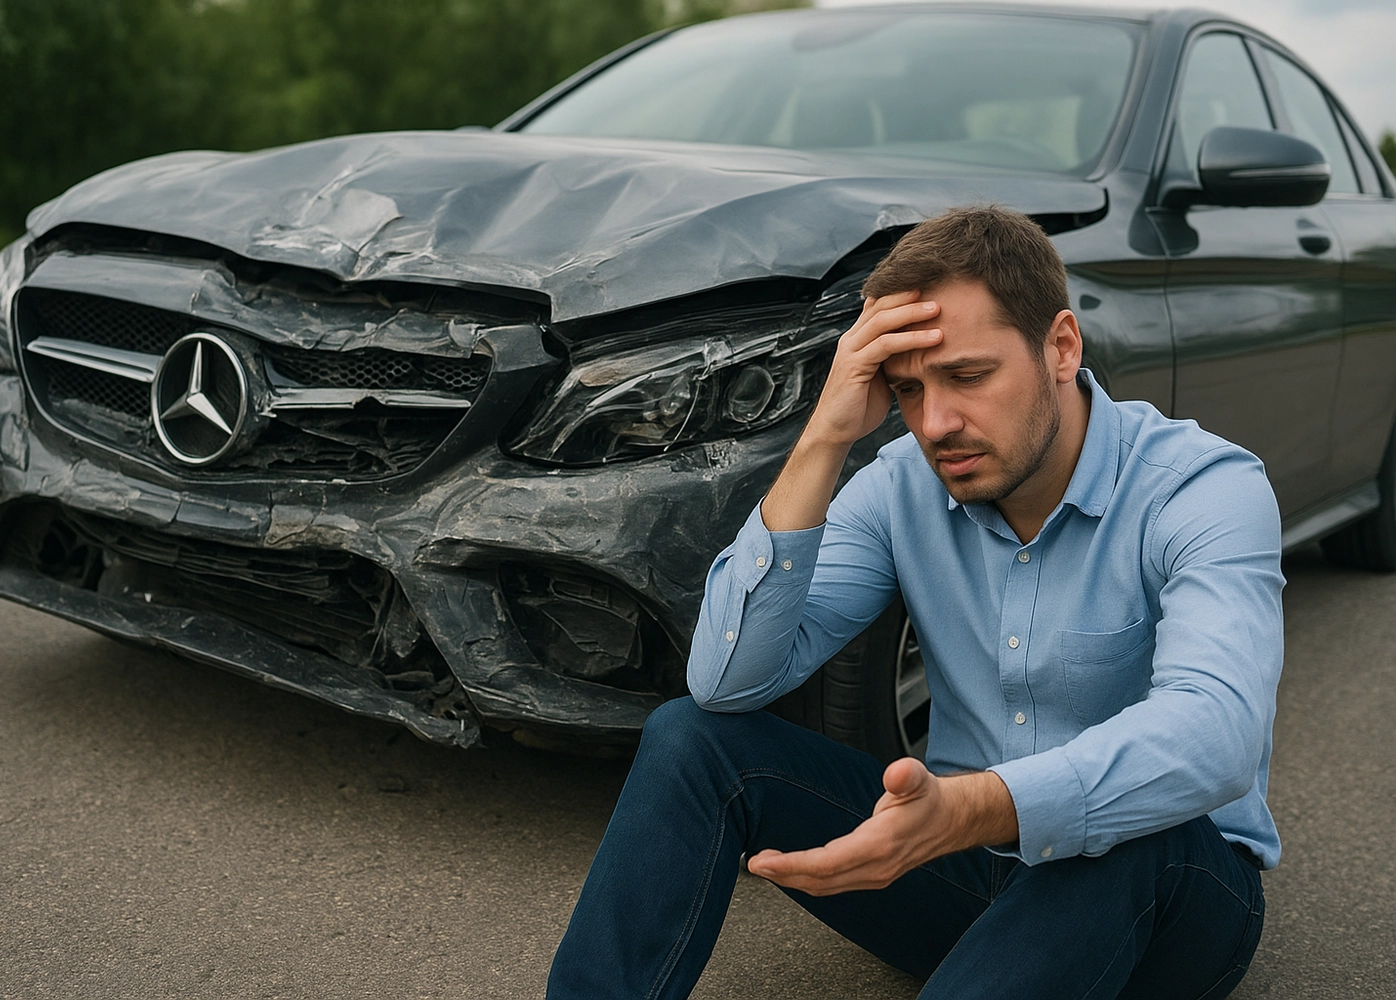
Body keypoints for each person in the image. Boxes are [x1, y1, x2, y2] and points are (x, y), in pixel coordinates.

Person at [545, 205, 1283, 1000]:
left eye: (967, 376)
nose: (937, 424)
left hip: (1169, 897)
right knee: (691, 739)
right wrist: (825, 435)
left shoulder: (1203, 487)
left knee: (1130, 841)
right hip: (965, 875)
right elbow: (728, 684)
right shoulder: (903, 483)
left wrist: (974, 808)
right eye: (905, 390)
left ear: (1060, 347)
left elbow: (1216, 732)